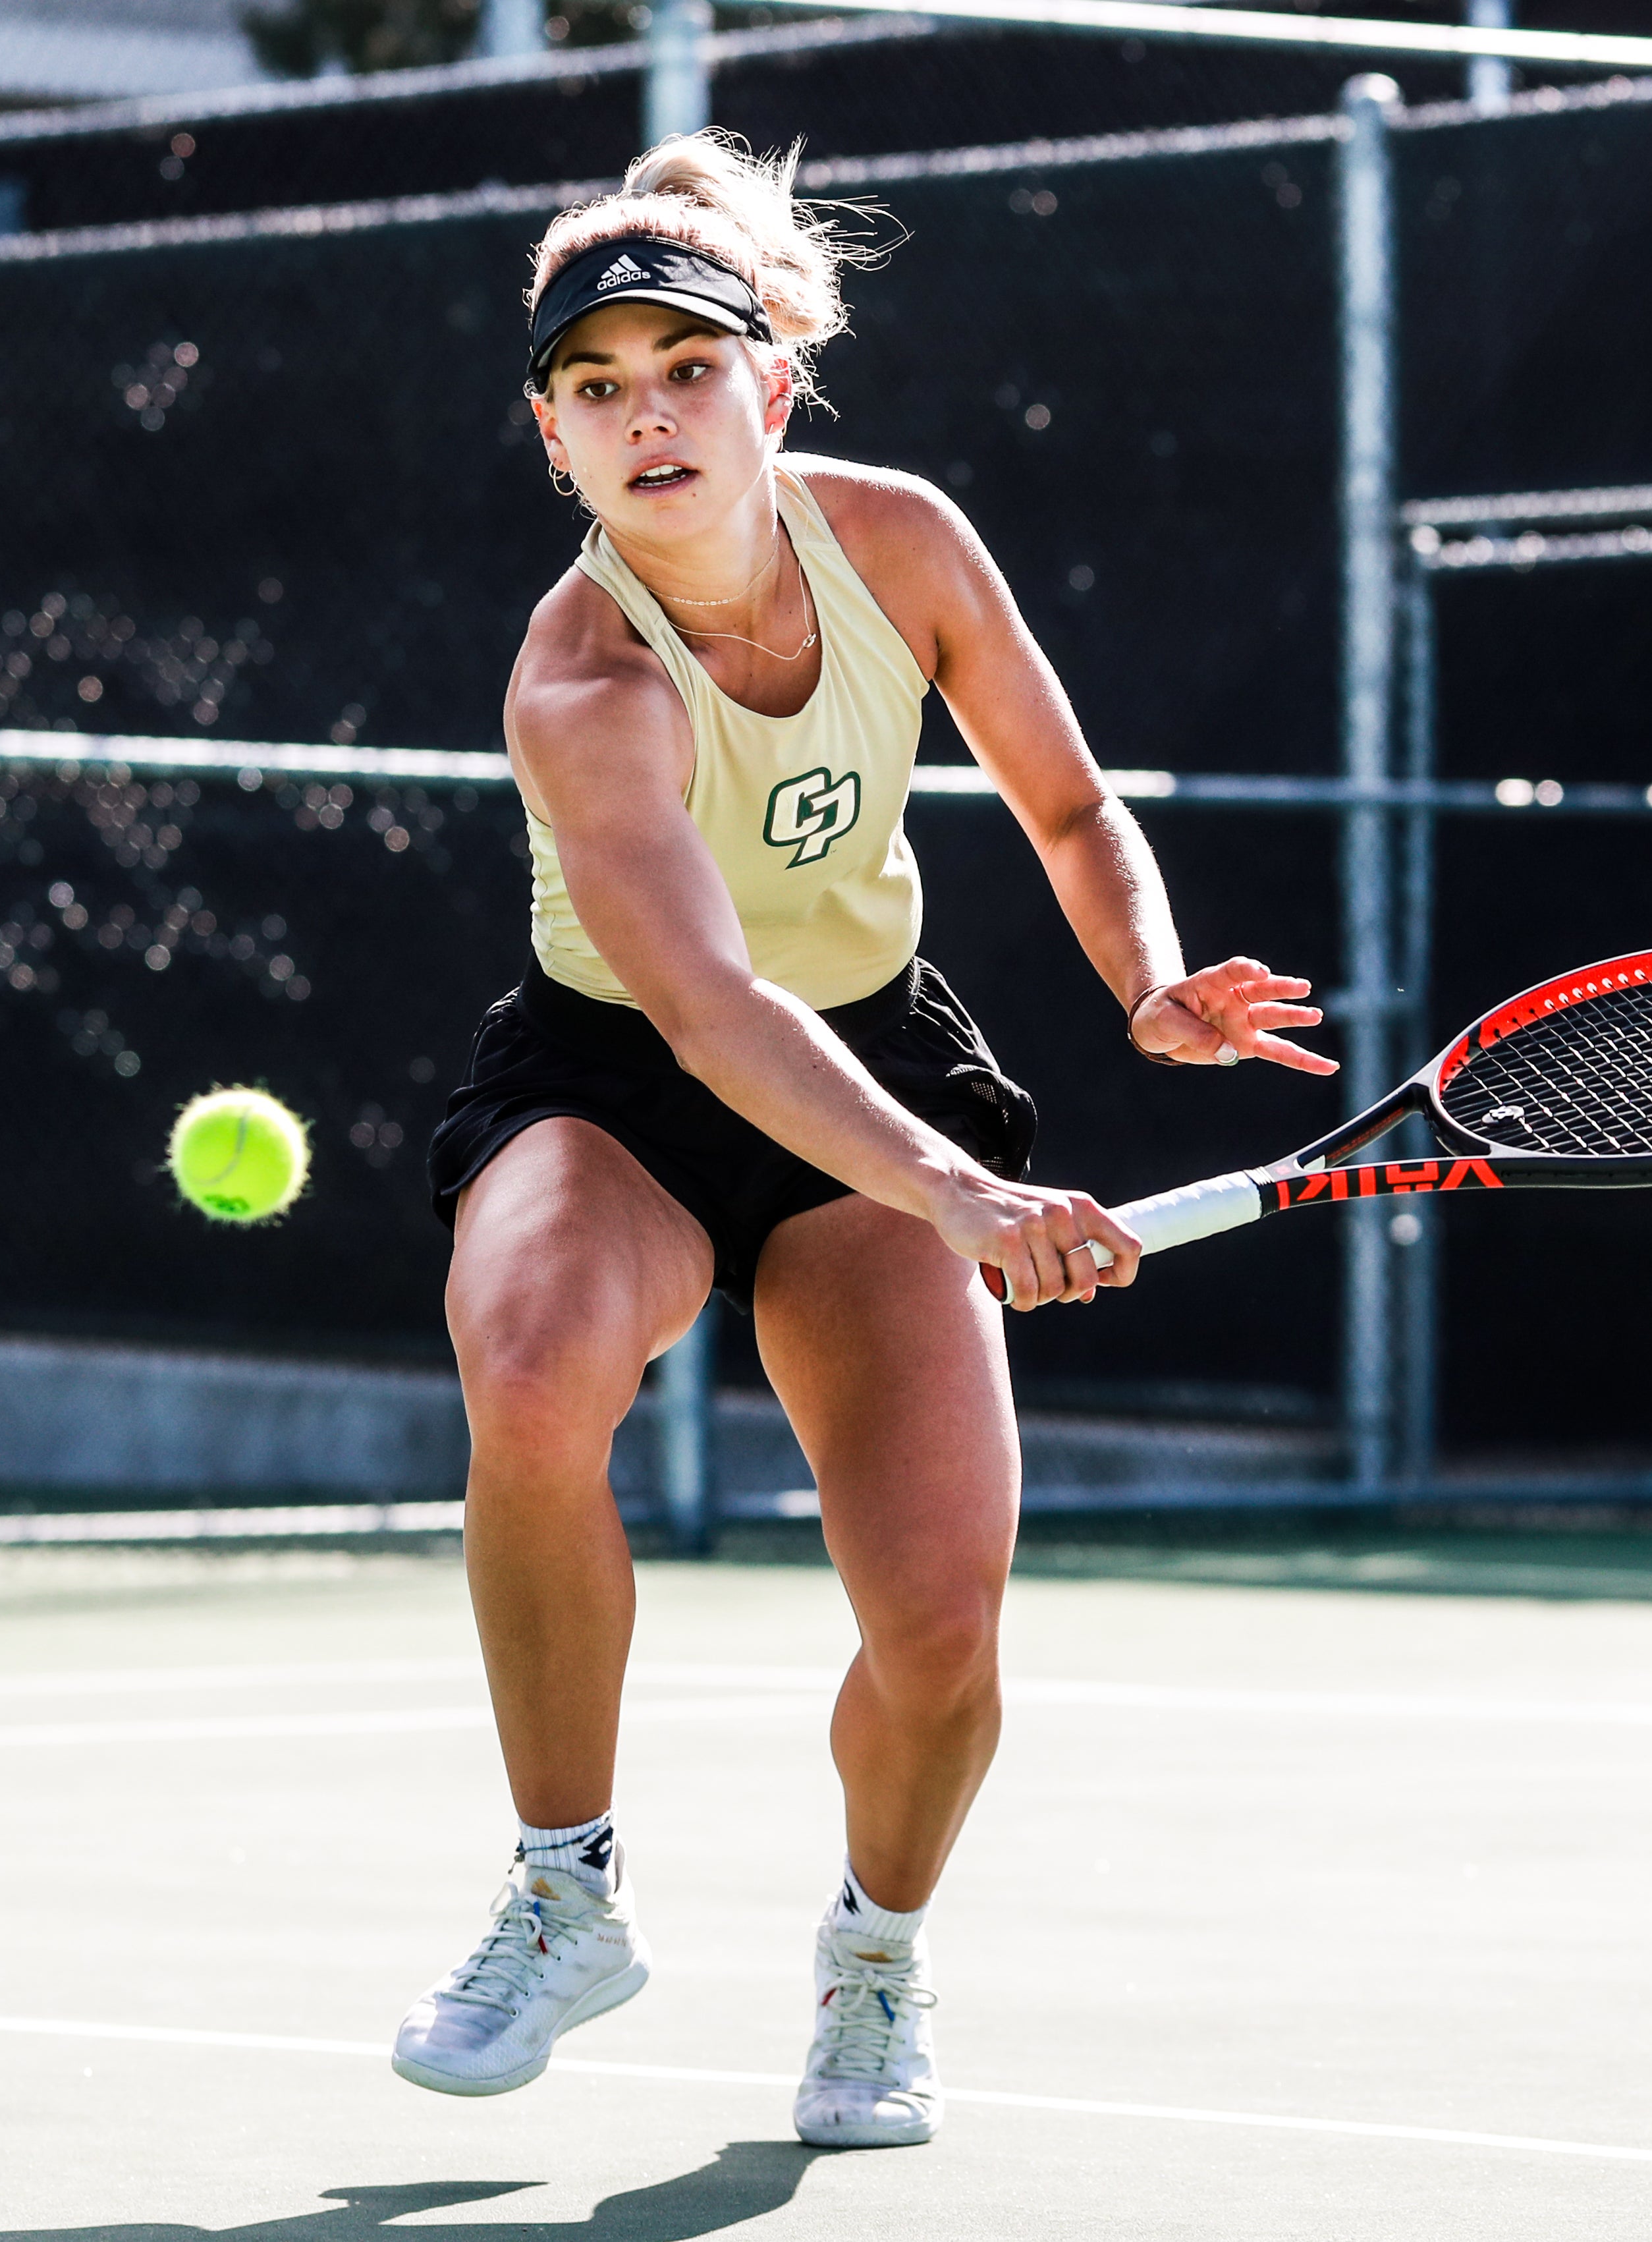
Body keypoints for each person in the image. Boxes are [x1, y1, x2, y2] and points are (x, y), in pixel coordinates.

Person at [395, 130, 1336, 2150]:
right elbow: (716, 1008)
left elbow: (1075, 810)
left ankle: (876, 1956)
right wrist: (969, 1189)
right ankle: (563, 1886)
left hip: (877, 1058)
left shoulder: (897, 541)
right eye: (597, 388)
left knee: (940, 1624)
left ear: (772, 390)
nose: (648, 415)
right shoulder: (580, 682)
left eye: (685, 370)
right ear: (553, 439)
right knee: (539, 1360)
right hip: (617, 1072)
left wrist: (1147, 983)